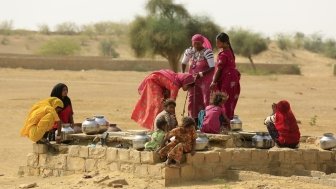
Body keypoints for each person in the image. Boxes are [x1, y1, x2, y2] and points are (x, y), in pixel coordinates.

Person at [181, 34, 215, 122]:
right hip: (193, 79)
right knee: (192, 99)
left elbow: (212, 67)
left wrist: (201, 74)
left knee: (205, 99)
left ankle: (205, 121)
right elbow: (183, 63)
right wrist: (183, 74)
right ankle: (192, 120)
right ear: (192, 43)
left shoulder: (208, 52)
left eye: (198, 43)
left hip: (205, 80)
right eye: (194, 43)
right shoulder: (189, 51)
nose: (196, 45)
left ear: (202, 43)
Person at [210, 32, 241, 120]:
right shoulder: (230, 52)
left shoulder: (223, 54)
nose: (217, 44)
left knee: (223, 101)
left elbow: (219, 69)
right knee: (229, 101)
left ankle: (224, 123)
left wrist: (213, 82)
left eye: (218, 42)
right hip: (233, 79)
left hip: (227, 80)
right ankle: (228, 121)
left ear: (224, 42)